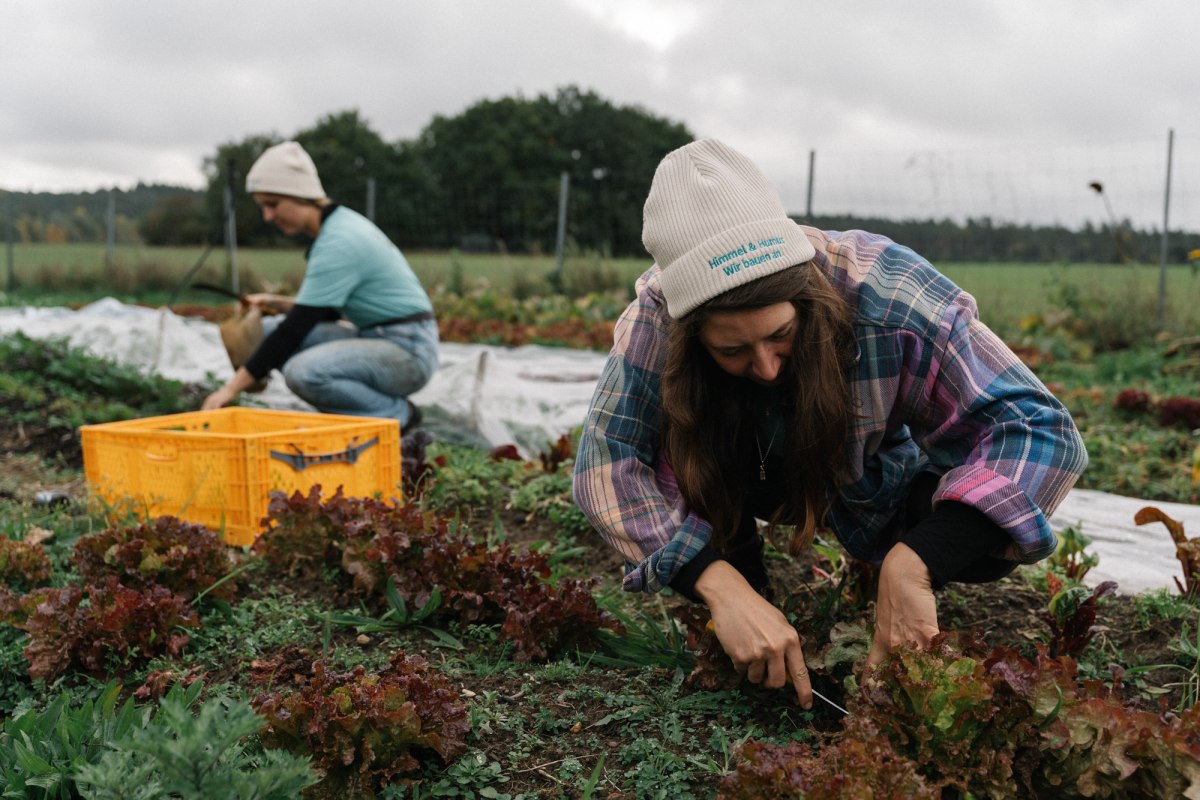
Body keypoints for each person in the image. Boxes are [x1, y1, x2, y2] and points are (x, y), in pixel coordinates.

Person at [572, 139, 1087, 710]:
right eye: (732, 349)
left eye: (781, 336)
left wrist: (917, 559)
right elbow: (605, 461)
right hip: (736, 473)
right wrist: (719, 585)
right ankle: (747, 584)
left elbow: (1039, 428)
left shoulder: (887, 292)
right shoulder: (655, 318)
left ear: (805, 293)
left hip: (867, 477)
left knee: (981, 547)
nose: (765, 367)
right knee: (691, 446)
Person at [202, 140, 436, 428]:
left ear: (300, 195)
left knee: (304, 373)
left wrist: (229, 389)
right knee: (265, 331)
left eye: (273, 205)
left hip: (408, 352)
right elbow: (327, 313)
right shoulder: (337, 226)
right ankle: (357, 409)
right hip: (378, 336)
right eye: (263, 206)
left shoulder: (339, 242)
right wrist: (275, 303)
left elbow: (296, 328)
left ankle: (397, 416)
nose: (268, 216)